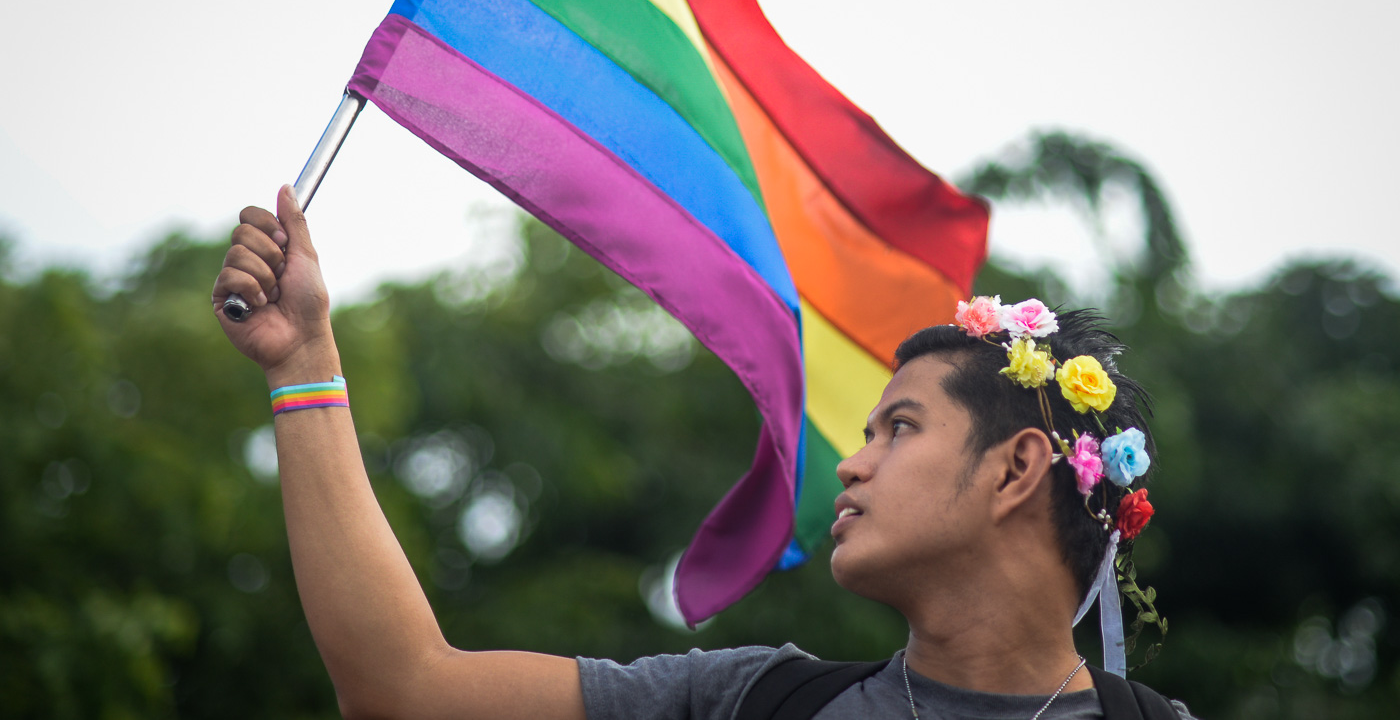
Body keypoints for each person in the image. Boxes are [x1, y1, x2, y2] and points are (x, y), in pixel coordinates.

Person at [212, 186, 1194, 720]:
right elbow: (403, 688)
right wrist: (304, 362)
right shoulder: (750, 701)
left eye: (898, 428)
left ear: (1016, 470)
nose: (850, 467)